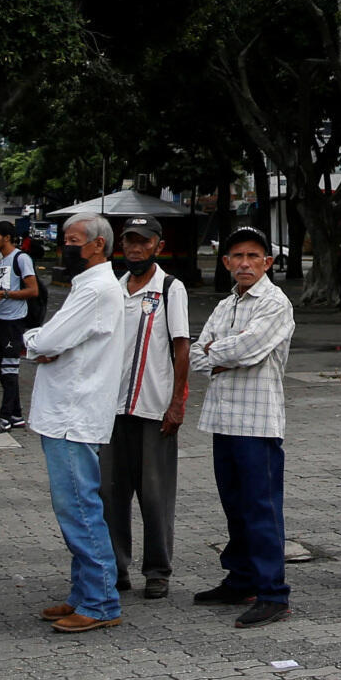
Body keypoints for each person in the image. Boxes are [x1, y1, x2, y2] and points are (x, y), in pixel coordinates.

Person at [190, 228, 296, 626]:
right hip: (223, 418)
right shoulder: (226, 304)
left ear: (268, 262)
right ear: (227, 262)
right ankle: (242, 578)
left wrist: (217, 352)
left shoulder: (275, 303)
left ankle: (273, 593)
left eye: (254, 256)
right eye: (238, 256)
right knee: (234, 505)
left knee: (261, 508)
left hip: (258, 422)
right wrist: (220, 353)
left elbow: (249, 349)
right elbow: (199, 355)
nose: (246, 263)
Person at [29, 215, 127, 633]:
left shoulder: (99, 288)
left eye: (73, 241)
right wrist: (44, 342)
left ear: (97, 245)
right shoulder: (87, 286)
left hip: (74, 413)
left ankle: (101, 600)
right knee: (75, 506)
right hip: (65, 412)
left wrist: (34, 342)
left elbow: (49, 340)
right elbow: (53, 338)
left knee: (80, 509)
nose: (64, 247)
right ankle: (83, 592)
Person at [105, 217, 192, 601]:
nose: (135, 249)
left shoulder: (170, 288)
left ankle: (157, 570)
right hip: (111, 409)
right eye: (130, 242)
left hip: (154, 409)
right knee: (110, 493)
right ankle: (115, 567)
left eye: (143, 242)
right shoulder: (115, 288)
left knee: (155, 496)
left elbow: (181, 347)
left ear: (157, 245)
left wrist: (177, 402)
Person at [0, 219, 41, 434]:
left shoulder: (21, 258)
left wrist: (4, 294)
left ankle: (5, 417)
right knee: (0, 368)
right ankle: (16, 415)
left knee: (9, 370)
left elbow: (33, 290)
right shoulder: (3, 262)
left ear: (7, 238)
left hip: (15, 323)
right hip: (1, 321)